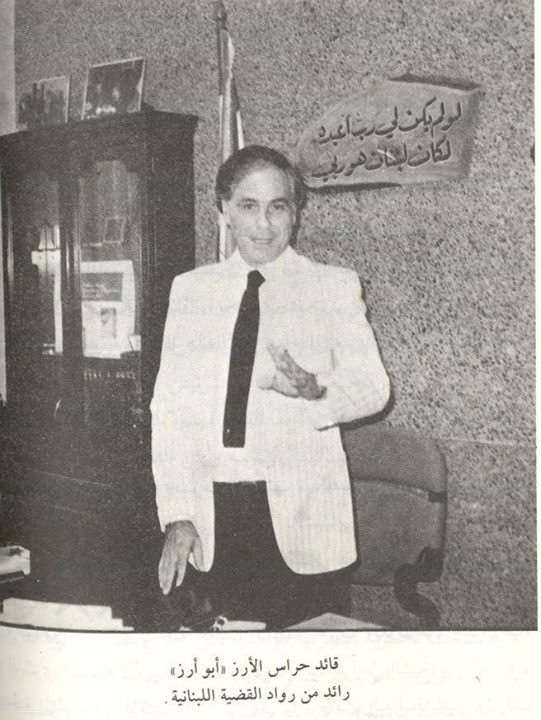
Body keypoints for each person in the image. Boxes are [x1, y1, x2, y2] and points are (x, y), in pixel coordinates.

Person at [150, 145, 390, 629]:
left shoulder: (331, 287)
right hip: (214, 520)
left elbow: (374, 388)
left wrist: (315, 390)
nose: (263, 225)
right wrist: (177, 514)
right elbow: (170, 412)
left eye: (277, 207)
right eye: (248, 206)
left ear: (295, 213)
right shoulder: (191, 291)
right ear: (223, 210)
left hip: (304, 521)